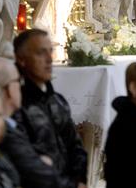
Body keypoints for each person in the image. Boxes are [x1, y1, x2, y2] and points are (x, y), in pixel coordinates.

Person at [0, 58, 76, 188]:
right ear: (9, 89)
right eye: (18, 81)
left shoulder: (15, 118)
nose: (21, 86)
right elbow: (42, 176)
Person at [13, 29, 88, 188]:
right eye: (41, 53)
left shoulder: (57, 100)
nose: (49, 59)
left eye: (50, 51)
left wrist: (79, 179)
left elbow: (76, 146)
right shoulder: (16, 105)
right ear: (22, 59)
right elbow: (29, 164)